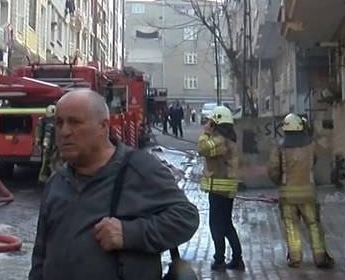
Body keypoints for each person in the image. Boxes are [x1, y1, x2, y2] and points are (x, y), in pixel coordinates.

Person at [29, 89, 198, 280]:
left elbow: (186, 217)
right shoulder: (56, 181)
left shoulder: (139, 169)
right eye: (59, 123)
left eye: (75, 122)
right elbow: (40, 254)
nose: (64, 131)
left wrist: (129, 233)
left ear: (103, 126)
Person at [268, 113, 334, 269]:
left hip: (287, 195)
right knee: (313, 224)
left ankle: (295, 257)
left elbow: (273, 169)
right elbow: (314, 161)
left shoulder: (279, 147)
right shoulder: (311, 145)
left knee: (291, 226)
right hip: (308, 194)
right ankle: (320, 256)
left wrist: (280, 182)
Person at [198, 105, 245, 271]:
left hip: (219, 189)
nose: (208, 124)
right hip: (226, 188)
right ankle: (237, 259)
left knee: (216, 225)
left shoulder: (219, 140)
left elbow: (202, 148)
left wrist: (206, 132)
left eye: (210, 122)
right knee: (226, 225)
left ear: (216, 122)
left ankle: (219, 260)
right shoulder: (229, 139)